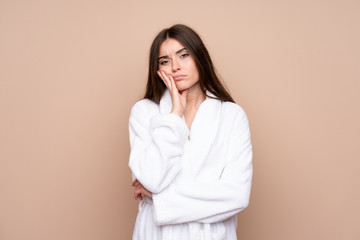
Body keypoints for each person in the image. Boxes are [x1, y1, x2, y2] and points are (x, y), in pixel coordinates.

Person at [128, 24, 253, 240]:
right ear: (157, 70)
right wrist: (174, 115)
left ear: (199, 58)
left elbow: (236, 195)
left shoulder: (232, 116)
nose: (175, 67)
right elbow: (151, 180)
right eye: (165, 61)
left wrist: (160, 200)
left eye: (183, 55)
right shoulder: (145, 112)